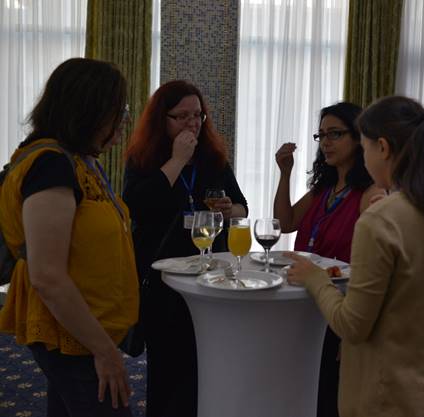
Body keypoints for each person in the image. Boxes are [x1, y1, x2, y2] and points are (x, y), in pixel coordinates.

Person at [286, 96, 424, 417]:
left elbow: (352, 325)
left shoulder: (382, 219)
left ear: (382, 148)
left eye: (365, 145)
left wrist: (315, 279)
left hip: (388, 396)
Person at [0, 58, 138, 416]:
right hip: (71, 333)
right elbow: (47, 276)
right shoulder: (51, 165)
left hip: (81, 329)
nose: (123, 121)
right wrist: (105, 352)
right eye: (118, 110)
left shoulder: (77, 161)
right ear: (89, 110)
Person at [123, 80, 248, 417]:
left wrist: (228, 209)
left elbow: (242, 207)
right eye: (182, 116)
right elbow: (137, 205)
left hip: (209, 273)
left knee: (205, 358)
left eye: (198, 116)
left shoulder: (213, 158)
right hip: (163, 275)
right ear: (161, 119)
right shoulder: (144, 158)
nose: (193, 123)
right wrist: (177, 160)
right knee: (167, 360)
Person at [273, 102, 384, 417]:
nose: (326, 143)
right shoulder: (325, 188)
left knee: (329, 397)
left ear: (359, 138)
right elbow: (284, 222)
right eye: (321, 136)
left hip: (340, 308)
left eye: (335, 134)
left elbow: (375, 265)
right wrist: (284, 174)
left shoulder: (370, 193)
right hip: (307, 302)